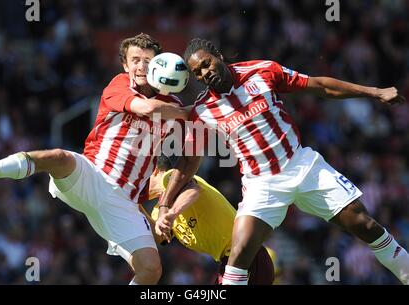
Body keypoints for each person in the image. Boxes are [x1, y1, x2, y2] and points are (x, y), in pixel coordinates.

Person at [155, 38, 409, 285]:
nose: (205, 73)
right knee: (239, 253)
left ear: (219, 56)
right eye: (198, 73)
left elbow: (320, 85)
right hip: (261, 184)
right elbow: (188, 161)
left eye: (207, 64)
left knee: (365, 225)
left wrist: (375, 92)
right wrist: (165, 204)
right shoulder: (203, 110)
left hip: (302, 165)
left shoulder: (262, 71)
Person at [0, 33, 188, 285]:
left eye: (148, 60)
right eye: (135, 60)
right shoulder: (120, 85)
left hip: (124, 201)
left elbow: (188, 143)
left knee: (151, 270)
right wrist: (188, 112)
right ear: (125, 65)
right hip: (93, 176)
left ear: (159, 64)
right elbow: (147, 108)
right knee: (59, 157)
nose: (141, 66)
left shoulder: (174, 105)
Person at [142, 156, 275, 285]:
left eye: (140, 180)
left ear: (154, 170)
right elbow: (160, 238)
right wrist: (135, 207)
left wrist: (172, 213)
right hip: (233, 259)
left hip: (245, 253)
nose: (139, 187)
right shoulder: (157, 210)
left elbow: (193, 191)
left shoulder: (171, 178)